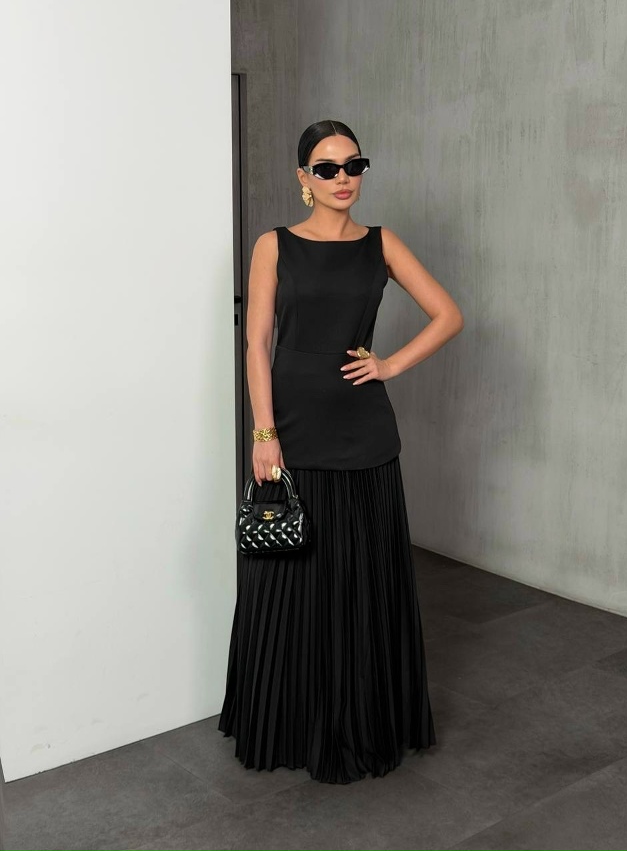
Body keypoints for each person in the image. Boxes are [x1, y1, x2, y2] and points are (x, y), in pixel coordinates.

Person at [218, 119, 464, 784]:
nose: (343, 178)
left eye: (353, 165)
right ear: (304, 177)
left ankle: (360, 721)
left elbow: (449, 314)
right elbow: (257, 343)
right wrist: (263, 432)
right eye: (326, 168)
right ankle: (289, 721)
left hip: (363, 431)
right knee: (291, 577)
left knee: (360, 580)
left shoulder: (382, 244)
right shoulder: (273, 245)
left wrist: (389, 365)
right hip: (294, 430)